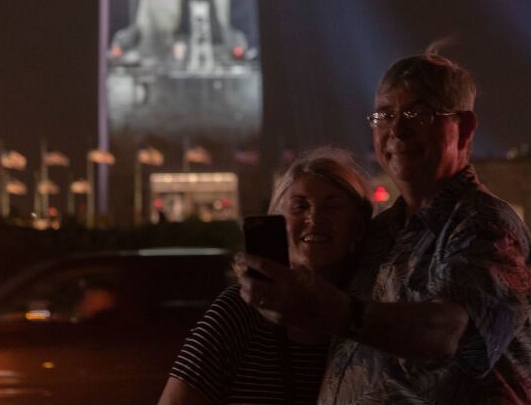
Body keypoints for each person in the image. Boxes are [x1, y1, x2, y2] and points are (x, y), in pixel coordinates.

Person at [237, 54, 531, 403]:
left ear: (465, 128)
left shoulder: (487, 228)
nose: (397, 130)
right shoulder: (380, 233)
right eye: (384, 115)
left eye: (419, 113)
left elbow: (454, 335)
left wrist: (337, 312)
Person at [158, 147, 373, 405]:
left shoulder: (374, 316)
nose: (315, 217)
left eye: (332, 206)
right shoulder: (239, 311)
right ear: (279, 223)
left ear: (358, 228)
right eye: (299, 206)